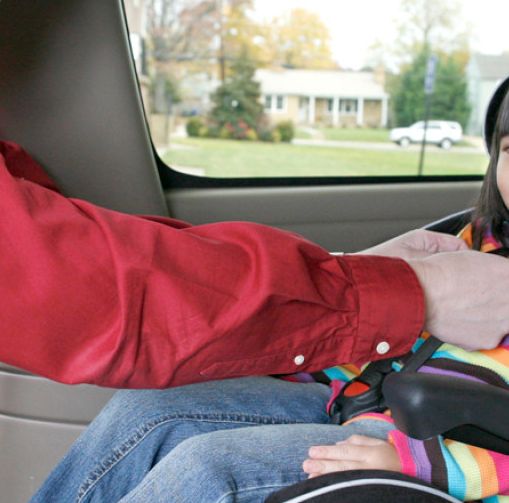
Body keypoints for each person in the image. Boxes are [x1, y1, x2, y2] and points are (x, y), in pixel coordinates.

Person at [0, 0, 509, 499]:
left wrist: (363, 281)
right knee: (154, 417)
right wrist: (407, 295)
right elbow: (90, 289)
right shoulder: (478, 240)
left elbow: (91, 248)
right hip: (377, 416)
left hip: (446, 451)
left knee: (193, 457)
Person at [30, 77, 509, 503]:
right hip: (346, 396)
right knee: (148, 409)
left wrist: (417, 464)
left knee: (209, 469)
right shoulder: (475, 240)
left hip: (430, 450)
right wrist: (285, 370)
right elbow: (390, 342)